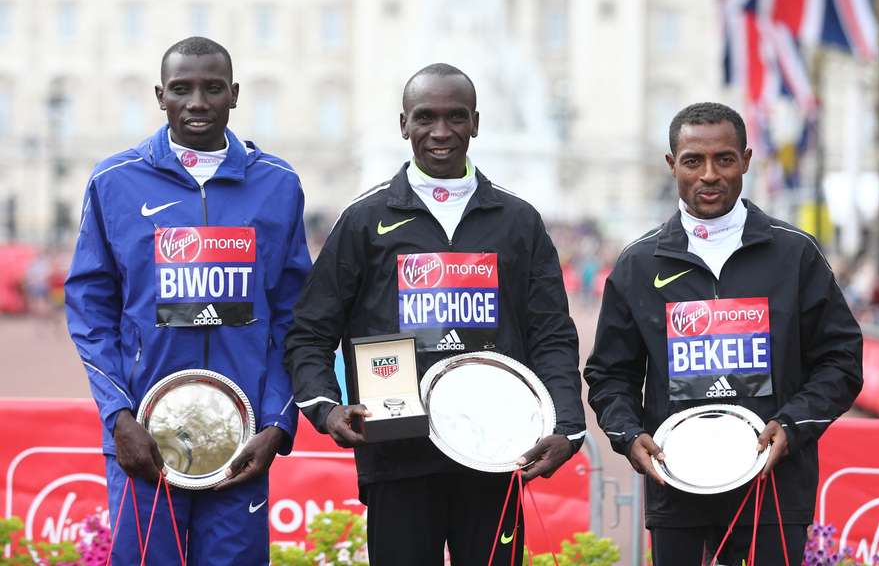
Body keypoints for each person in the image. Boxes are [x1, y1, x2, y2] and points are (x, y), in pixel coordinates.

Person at [283, 63, 585, 565]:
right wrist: (326, 407)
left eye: (455, 117)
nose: (441, 133)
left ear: (476, 123)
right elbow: (310, 331)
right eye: (425, 117)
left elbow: (552, 334)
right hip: (397, 458)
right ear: (403, 123)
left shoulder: (518, 221)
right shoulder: (365, 219)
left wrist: (568, 425)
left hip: (497, 453)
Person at [65, 36, 312, 565]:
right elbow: (89, 308)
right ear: (160, 95)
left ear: (235, 94)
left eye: (212, 88)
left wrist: (276, 424)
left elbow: (296, 318)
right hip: (144, 442)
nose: (197, 102)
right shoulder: (115, 180)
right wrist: (119, 417)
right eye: (182, 88)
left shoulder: (278, 184)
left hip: (242, 442)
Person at [583, 102, 863, 566]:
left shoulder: (795, 253)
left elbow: (841, 360)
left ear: (747, 161)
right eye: (693, 160)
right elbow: (610, 374)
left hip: (774, 488)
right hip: (677, 489)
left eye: (724, 159)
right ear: (673, 165)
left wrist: (792, 427)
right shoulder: (639, 263)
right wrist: (630, 435)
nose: (709, 175)